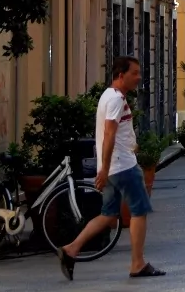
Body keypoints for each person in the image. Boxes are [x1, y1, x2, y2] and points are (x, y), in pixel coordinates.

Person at [57, 56, 164, 280]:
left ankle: (72, 249)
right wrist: (105, 169)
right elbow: (109, 134)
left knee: (108, 214)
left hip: (113, 166)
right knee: (139, 210)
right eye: (134, 73)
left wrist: (104, 169)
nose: (138, 77)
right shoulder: (115, 100)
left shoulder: (108, 95)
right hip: (122, 165)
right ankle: (137, 263)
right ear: (120, 74)